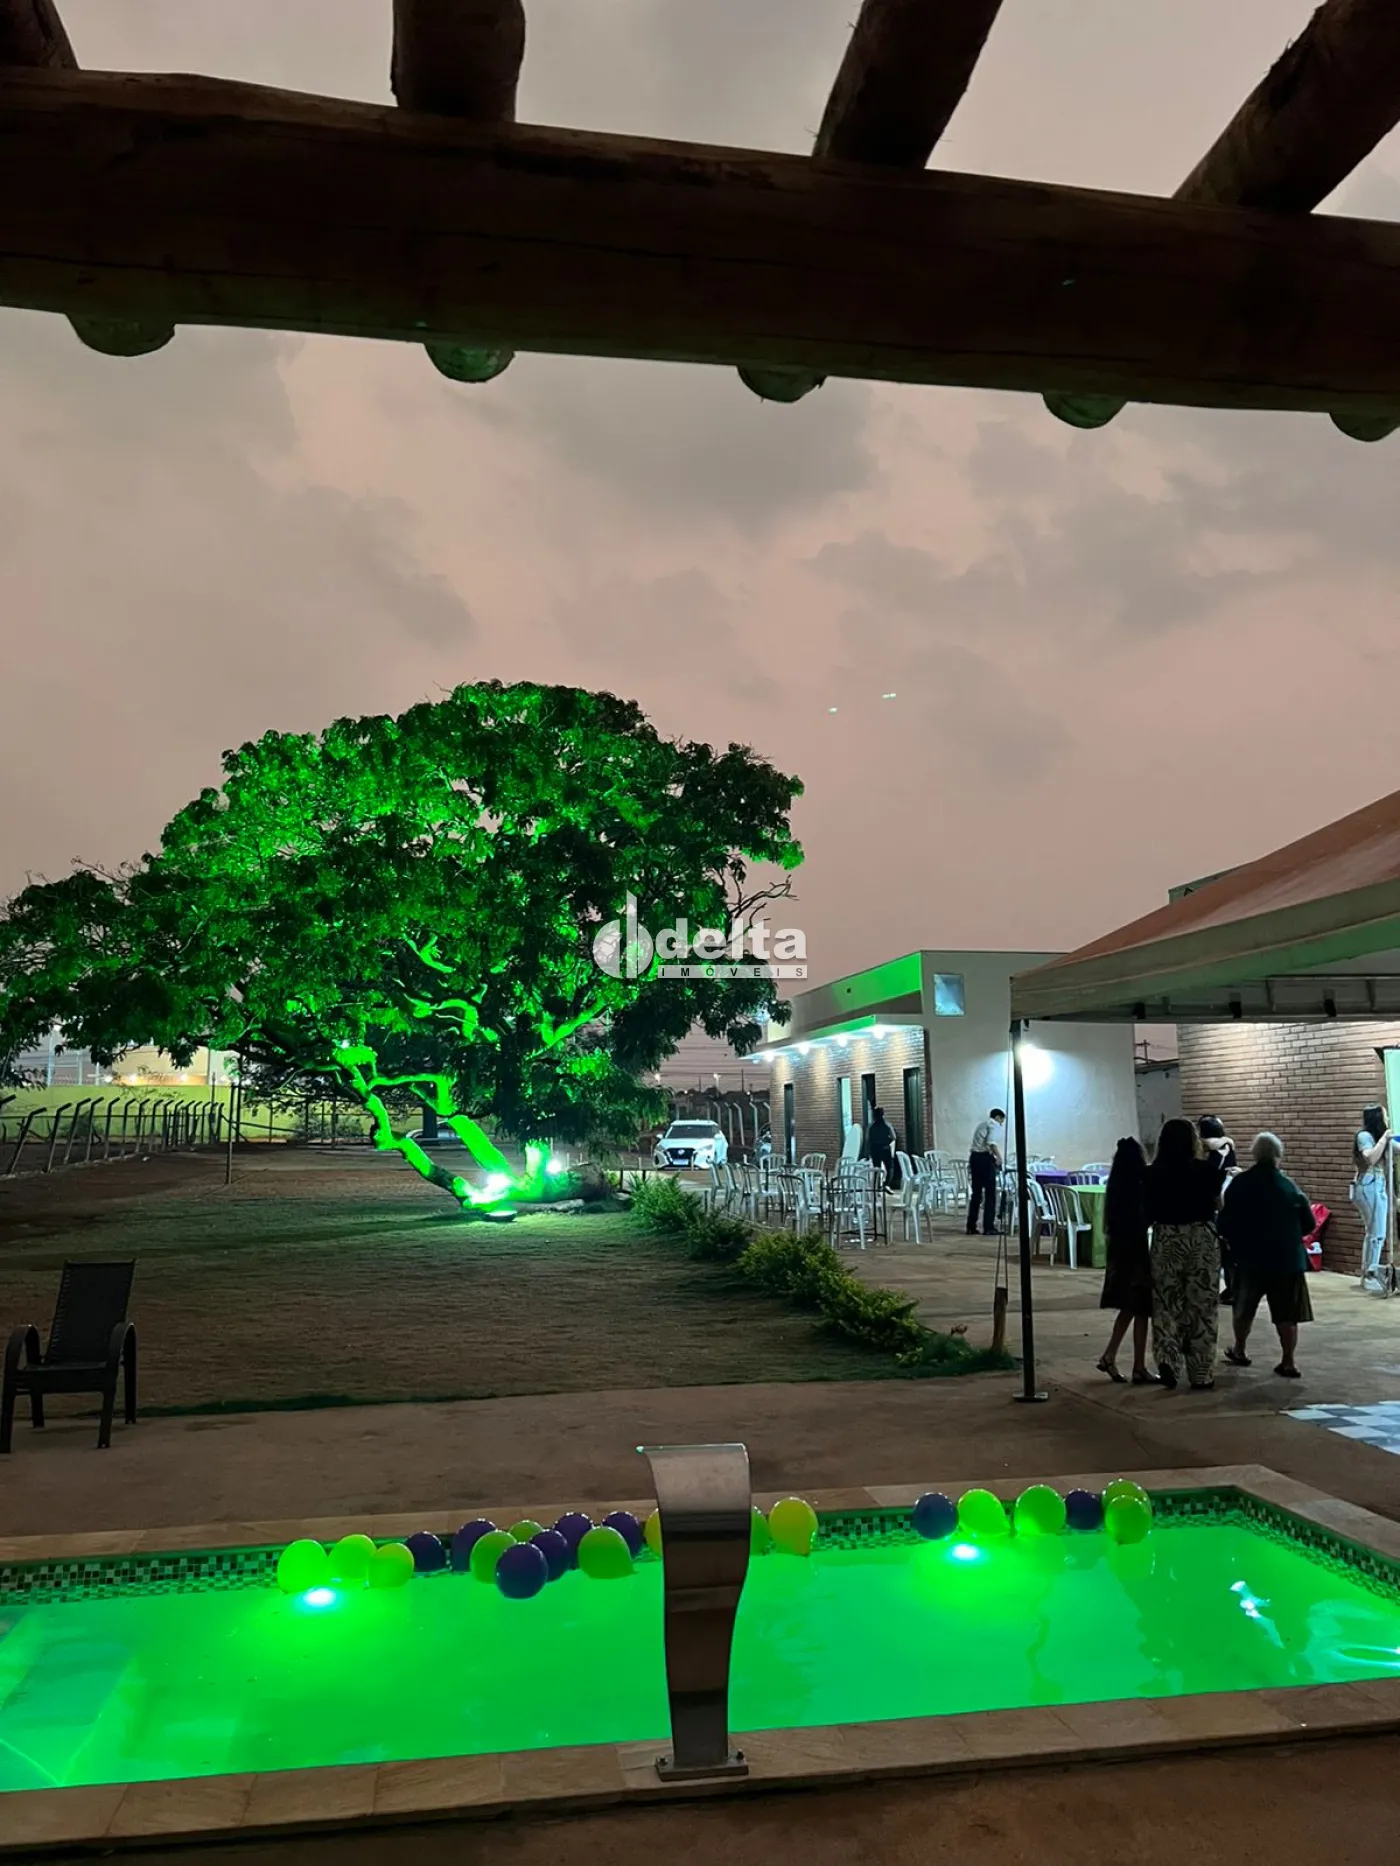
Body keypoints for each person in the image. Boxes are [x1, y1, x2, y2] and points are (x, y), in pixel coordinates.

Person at [1220, 1132, 1315, 1379]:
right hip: (1287, 1260)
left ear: (1254, 1154)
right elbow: (1309, 1223)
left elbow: (1225, 1222)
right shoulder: (1289, 1186)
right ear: (1278, 1156)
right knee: (1287, 1313)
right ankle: (1288, 1361)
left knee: (1244, 1307)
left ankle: (1240, 1349)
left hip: (1249, 1258)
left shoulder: (1240, 1184)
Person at [1145, 1116, 1223, 1390]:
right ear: (1193, 1141)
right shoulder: (1209, 1170)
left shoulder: (1152, 1173)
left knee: (1166, 1303)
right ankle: (1201, 1372)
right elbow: (1218, 1205)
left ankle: (1168, 1358)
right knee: (1203, 1307)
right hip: (1202, 1239)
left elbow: (1147, 1211)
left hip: (1167, 1238)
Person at [1095, 1136, 1157, 1385]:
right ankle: (1132, 1364)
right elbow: (1147, 1217)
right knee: (1139, 1307)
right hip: (1136, 1250)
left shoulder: (1115, 1186)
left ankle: (1118, 1358)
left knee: (1134, 1307)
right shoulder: (1140, 1187)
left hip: (1119, 1249)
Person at [1352, 1104, 1394, 1292]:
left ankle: (1370, 1273)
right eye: (1385, 1116)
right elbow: (1370, 1158)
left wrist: (1388, 1139)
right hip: (1368, 1185)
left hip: (1378, 1185)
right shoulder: (1364, 1136)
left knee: (1378, 1233)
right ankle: (1369, 1275)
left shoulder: (1380, 1138)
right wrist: (1385, 1138)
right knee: (1376, 1233)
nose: (1387, 1119)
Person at [1198, 1115, 1239, 1302]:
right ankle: (1232, 1288)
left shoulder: (1208, 1149)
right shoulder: (1226, 1145)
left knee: (1222, 1248)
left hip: (1216, 1200)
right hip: (1226, 1198)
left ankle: (1231, 1288)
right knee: (1226, 1249)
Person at [966, 1108, 1005, 1237]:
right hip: (984, 1160)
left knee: (976, 1194)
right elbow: (991, 1143)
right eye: (1002, 1121)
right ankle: (988, 1227)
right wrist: (999, 1158)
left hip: (974, 1158)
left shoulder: (982, 1124)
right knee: (990, 1194)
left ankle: (971, 1226)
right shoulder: (993, 1125)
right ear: (998, 1117)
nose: (1001, 1124)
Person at [866, 1106, 897, 1186]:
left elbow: (867, 1139)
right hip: (885, 1148)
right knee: (889, 1168)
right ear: (883, 1114)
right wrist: (887, 1141)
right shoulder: (887, 1125)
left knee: (877, 1168)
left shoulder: (871, 1126)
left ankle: (877, 1185)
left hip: (875, 1149)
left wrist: (868, 1151)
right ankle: (886, 1184)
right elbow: (893, 1137)